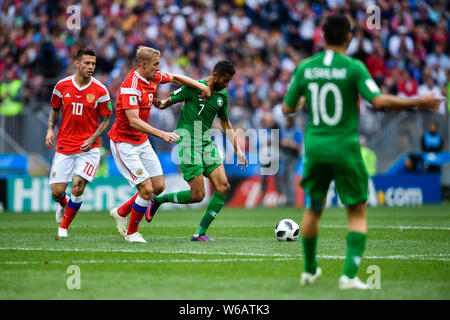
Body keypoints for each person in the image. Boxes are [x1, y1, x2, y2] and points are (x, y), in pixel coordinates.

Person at [283, 14, 444, 290]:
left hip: (316, 146)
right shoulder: (354, 67)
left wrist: (303, 97)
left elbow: (287, 108)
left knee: (313, 208)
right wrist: (418, 101)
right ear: (349, 37)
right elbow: (378, 101)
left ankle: (310, 271)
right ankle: (348, 276)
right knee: (357, 212)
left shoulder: (305, 68)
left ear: (322, 37)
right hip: (345, 147)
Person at [108, 46, 211, 243]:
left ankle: (121, 212)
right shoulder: (130, 86)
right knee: (146, 190)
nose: (159, 68)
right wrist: (162, 134)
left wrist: (201, 86)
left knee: (158, 186)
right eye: (156, 65)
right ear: (143, 65)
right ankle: (132, 233)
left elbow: (175, 78)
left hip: (141, 140)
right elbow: (134, 121)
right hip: (124, 143)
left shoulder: (153, 76)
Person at [148, 59, 248, 241]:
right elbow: (169, 101)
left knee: (223, 187)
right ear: (215, 75)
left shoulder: (222, 96)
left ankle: (200, 233)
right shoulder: (194, 87)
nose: (227, 85)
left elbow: (225, 122)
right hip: (187, 141)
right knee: (197, 195)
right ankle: (159, 200)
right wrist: (161, 104)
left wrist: (238, 150)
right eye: (225, 80)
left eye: (229, 82)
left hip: (205, 142)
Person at [46, 48, 112, 238]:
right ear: (77, 63)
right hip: (65, 145)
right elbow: (54, 109)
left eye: (93, 64)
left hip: (88, 148)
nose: (91, 67)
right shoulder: (61, 86)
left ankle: (64, 227)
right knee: (57, 192)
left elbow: (106, 120)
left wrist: (91, 139)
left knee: (78, 185)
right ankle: (63, 204)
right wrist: (50, 129)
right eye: (87, 63)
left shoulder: (100, 90)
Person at [279, 115, 302, 206]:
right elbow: (280, 141)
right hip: (284, 156)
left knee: (290, 178)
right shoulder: (284, 129)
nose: (287, 122)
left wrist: (288, 143)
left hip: (293, 157)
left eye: (288, 121)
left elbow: (298, 145)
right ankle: (287, 199)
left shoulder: (296, 130)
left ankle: (291, 200)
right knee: (285, 178)